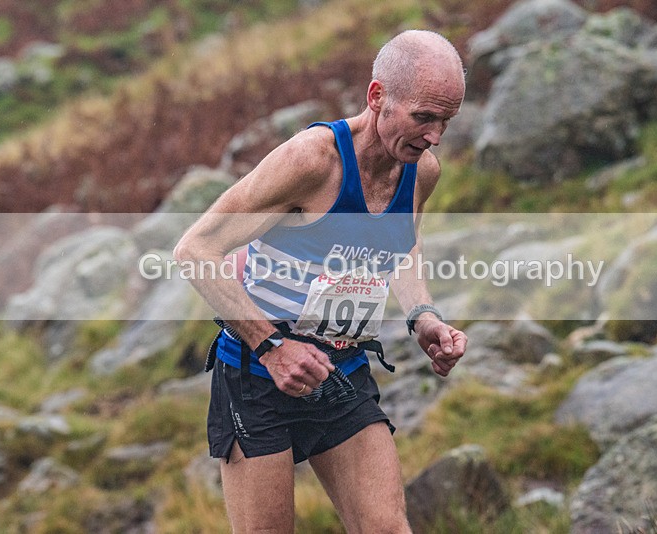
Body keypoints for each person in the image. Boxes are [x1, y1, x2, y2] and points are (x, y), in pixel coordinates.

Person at [174, 29, 468, 533]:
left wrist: (423, 316)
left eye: (446, 120)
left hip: (341, 372)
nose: (435, 135)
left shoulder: (421, 170)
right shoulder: (313, 160)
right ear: (377, 98)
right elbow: (195, 251)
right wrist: (272, 347)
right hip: (257, 377)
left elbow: (401, 245)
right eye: (424, 117)